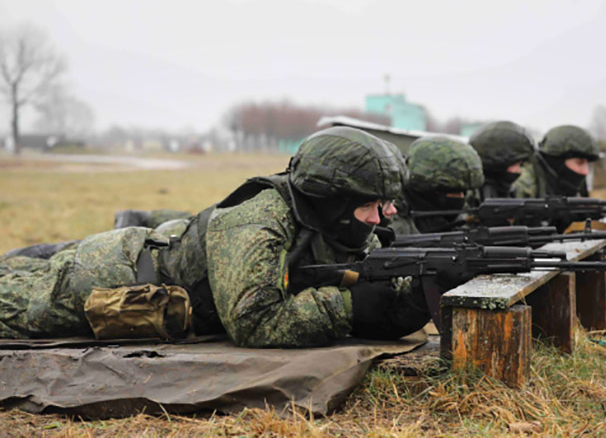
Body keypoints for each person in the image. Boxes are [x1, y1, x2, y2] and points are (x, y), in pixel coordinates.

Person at [0, 127, 431, 347]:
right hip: (112, 280)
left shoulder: (344, 226)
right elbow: (254, 322)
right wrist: (345, 307)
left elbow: (380, 300)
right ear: (334, 200)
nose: (388, 214)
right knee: (15, 299)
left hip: (161, 267)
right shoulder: (259, 218)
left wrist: (420, 297)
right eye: (376, 202)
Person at [389, 135, 484, 235]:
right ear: (427, 189)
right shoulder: (391, 214)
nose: (461, 197)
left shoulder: (464, 213)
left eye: (464, 191)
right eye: (452, 191)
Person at [513, 125, 600, 198]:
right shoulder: (525, 185)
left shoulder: (573, 188)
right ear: (557, 163)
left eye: (587, 164)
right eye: (579, 163)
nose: (586, 171)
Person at [468, 121, 535, 202]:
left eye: (520, 165)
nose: (518, 171)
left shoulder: (515, 191)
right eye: (514, 164)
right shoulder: (468, 196)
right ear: (496, 164)